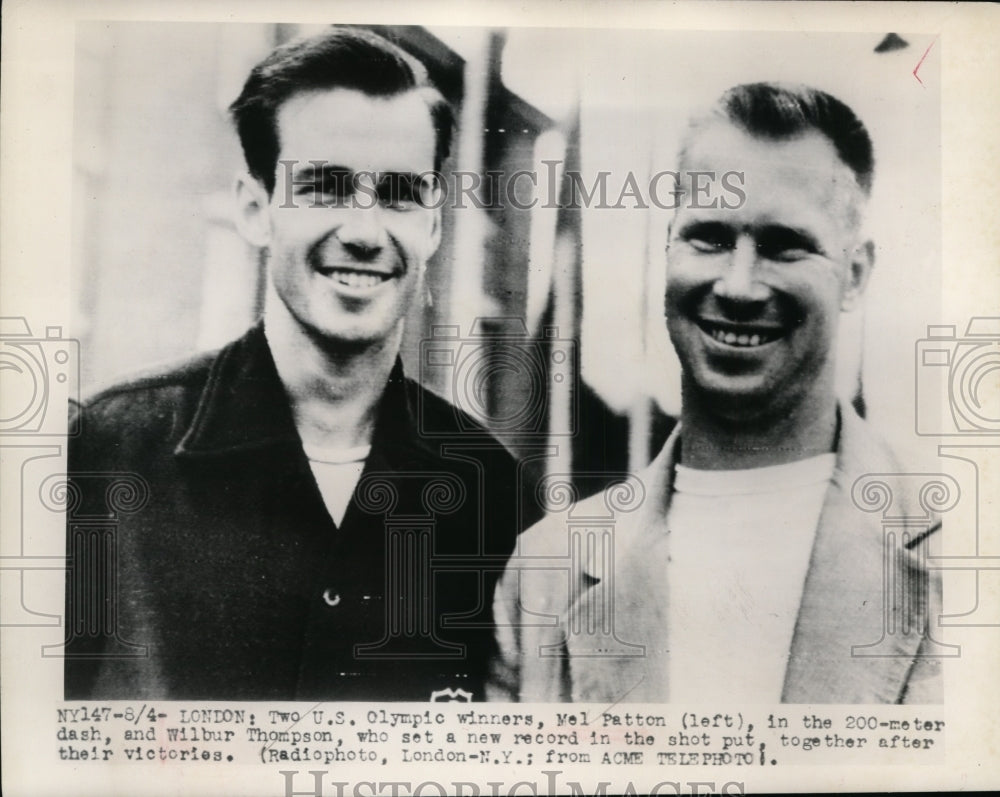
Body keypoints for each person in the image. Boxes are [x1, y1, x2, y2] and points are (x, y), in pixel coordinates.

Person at [64, 27, 527, 701]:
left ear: (432, 223)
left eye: (399, 193)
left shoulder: (492, 495)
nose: (365, 233)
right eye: (325, 188)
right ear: (256, 210)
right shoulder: (114, 449)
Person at [490, 82, 942, 704]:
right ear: (667, 246)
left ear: (856, 274)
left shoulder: (965, 557)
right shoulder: (547, 569)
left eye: (786, 246)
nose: (738, 285)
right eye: (709, 237)